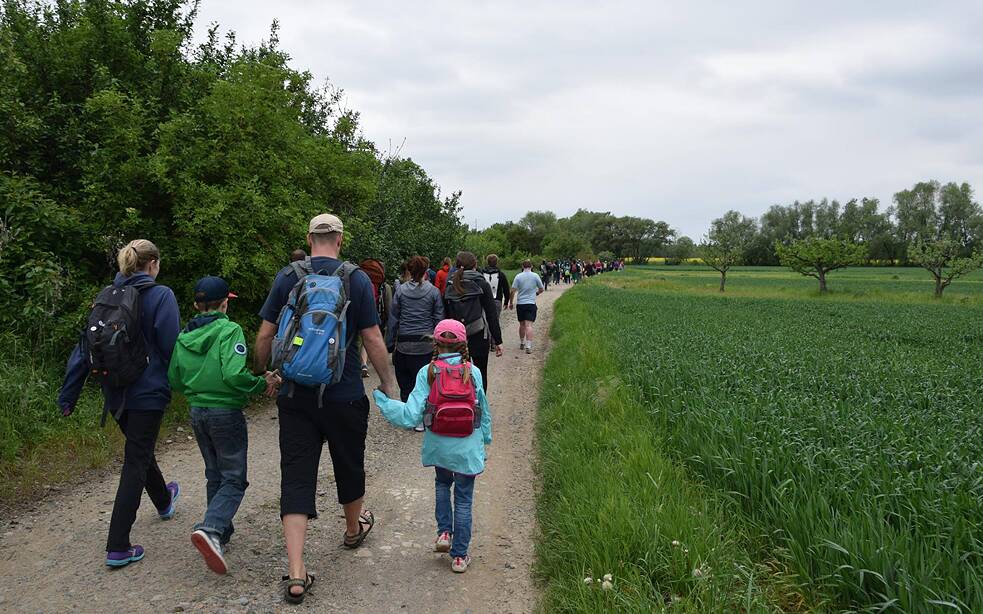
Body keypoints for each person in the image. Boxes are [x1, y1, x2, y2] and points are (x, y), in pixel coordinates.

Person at [253, 213, 398, 604]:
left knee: (297, 476)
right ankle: (353, 529)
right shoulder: (356, 280)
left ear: (309, 237)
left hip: (295, 396)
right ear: (340, 238)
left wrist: (265, 371)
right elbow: (372, 337)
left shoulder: (288, 277)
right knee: (348, 462)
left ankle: (297, 572)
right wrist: (387, 385)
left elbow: (266, 333)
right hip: (344, 391)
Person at [58, 239, 181, 568]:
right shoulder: (160, 295)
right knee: (135, 460)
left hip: (114, 390)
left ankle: (164, 500)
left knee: (139, 451)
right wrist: (188, 384)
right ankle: (118, 546)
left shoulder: (106, 297)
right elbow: (171, 347)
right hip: (148, 391)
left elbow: (85, 348)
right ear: (152, 264)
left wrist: (68, 395)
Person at [167, 276, 280, 575]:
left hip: (197, 411)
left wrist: (197, 389)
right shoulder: (229, 330)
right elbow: (233, 374)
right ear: (225, 303)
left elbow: (175, 378)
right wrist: (259, 384)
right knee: (234, 478)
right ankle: (213, 529)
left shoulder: (183, 336)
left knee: (214, 473)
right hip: (225, 412)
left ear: (195, 304)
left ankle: (220, 533)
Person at [372, 319, 491, 573]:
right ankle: (459, 557)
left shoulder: (428, 372)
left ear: (435, 343)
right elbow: (484, 410)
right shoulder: (474, 372)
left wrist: (382, 401)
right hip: (467, 448)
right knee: (464, 498)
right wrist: (486, 440)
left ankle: (444, 533)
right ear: (463, 344)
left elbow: (410, 416)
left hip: (439, 446)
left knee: (442, 484)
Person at [387, 255, 443, 431]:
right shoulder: (433, 292)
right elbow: (438, 318)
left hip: (404, 343)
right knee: (425, 381)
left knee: (406, 381)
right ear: (426, 271)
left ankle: (410, 414)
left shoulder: (401, 291)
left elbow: (393, 319)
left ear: (409, 271)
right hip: (425, 344)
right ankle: (424, 417)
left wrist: (390, 342)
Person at [443, 251, 503, 392]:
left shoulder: (450, 284)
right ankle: (480, 406)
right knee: (481, 373)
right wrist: (498, 340)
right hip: (479, 334)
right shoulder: (482, 284)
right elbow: (491, 314)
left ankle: (463, 405)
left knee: (459, 374)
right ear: (475, 265)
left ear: (457, 265)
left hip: (456, 338)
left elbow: (445, 315)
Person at [359, 258, 393, 378]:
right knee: (371, 338)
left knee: (363, 339)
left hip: (359, 312)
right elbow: (388, 305)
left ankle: (363, 363)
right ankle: (374, 363)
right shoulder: (384, 286)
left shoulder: (360, 281)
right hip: (376, 313)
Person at [510, 259, 545, 354]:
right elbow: (541, 289)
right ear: (531, 266)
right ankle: (528, 346)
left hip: (521, 303)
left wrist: (511, 302)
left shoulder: (518, 276)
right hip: (531, 303)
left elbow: (512, 290)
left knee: (521, 324)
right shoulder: (535, 276)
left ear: (522, 266)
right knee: (529, 325)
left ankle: (522, 342)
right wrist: (536, 293)